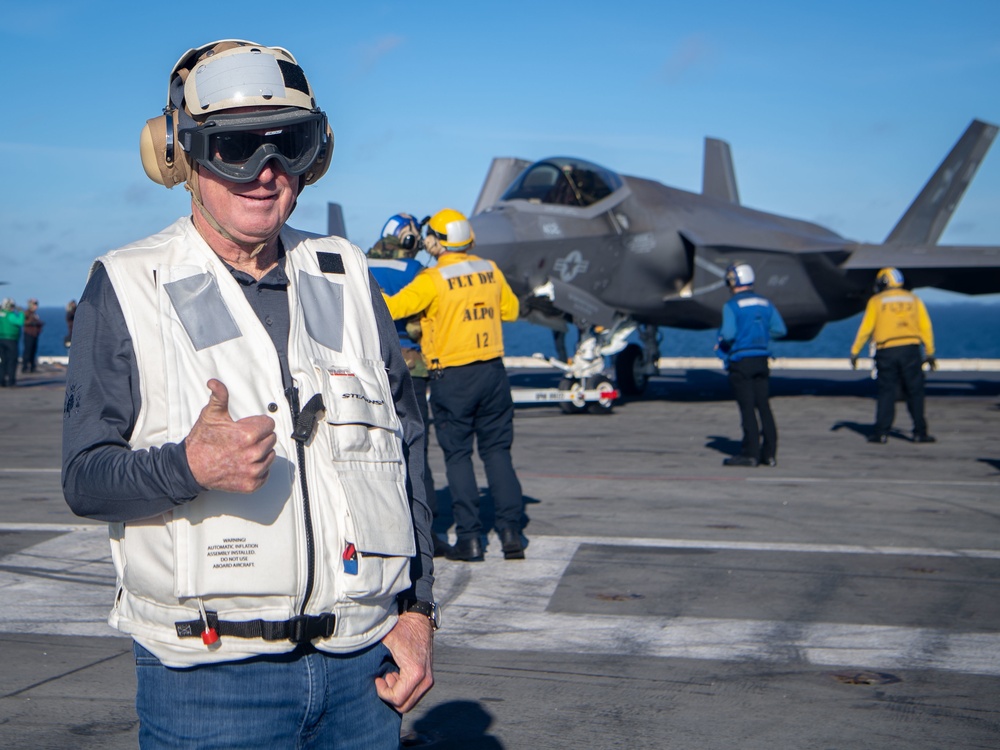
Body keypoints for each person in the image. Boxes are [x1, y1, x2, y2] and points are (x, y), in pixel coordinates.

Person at [61, 40, 436, 748]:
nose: (267, 175)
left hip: (362, 671)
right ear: (181, 156)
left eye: (290, 146)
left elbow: (405, 446)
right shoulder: (128, 285)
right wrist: (187, 469)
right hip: (210, 685)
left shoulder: (348, 275)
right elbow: (84, 478)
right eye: (235, 149)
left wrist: (417, 612)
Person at [384, 208, 526, 562]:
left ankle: (470, 539)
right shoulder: (489, 270)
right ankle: (511, 535)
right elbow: (512, 311)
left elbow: (391, 308)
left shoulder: (433, 279)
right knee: (498, 453)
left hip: (454, 378)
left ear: (436, 241)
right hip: (493, 372)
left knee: (458, 456)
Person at [367, 213, 450, 557]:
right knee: (416, 451)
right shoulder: (417, 272)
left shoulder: (361, 262)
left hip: (371, 369)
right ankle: (426, 535)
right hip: (410, 369)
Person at [849, 267, 936, 444]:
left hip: (886, 351)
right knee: (915, 392)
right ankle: (920, 432)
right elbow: (925, 327)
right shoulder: (913, 299)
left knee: (886, 392)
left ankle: (881, 433)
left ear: (884, 282)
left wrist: (855, 351)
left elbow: (866, 329)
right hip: (910, 350)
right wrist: (930, 352)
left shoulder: (876, 301)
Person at [715, 263, 787, 467]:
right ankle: (770, 454)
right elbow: (780, 330)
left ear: (735, 281)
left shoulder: (731, 305)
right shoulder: (765, 302)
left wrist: (726, 341)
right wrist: (761, 335)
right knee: (764, 406)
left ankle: (750, 453)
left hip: (741, 360)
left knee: (747, 408)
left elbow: (728, 334)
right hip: (762, 359)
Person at [0, 298, 25, 387]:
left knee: (2, 361)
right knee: (12, 361)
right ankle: (11, 381)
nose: (12, 308)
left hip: (1, 340)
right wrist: (21, 313)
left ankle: (1, 381)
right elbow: (20, 322)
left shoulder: (1, 314)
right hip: (11, 340)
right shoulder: (10, 315)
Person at [21, 298, 44, 374]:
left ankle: (32, 367)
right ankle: (24, 367)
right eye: (35, 304)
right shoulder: (27, 313)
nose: (36, 306)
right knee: (27, 351)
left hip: (34, 335)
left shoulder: (34, 314)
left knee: (33, 351)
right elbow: (25, 321)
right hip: (28, 334)